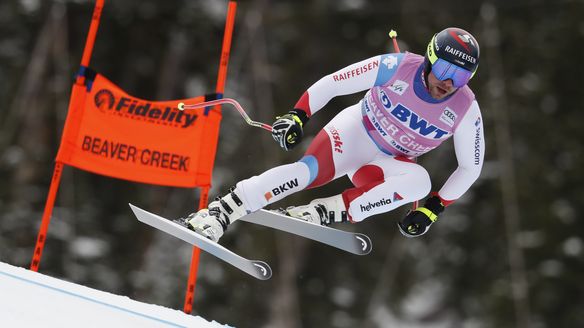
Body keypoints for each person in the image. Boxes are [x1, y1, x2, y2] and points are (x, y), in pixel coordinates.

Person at [184, 27, 485, 242]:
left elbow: (471, 167)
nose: (448, 81)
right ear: (430, 59)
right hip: (356, 132)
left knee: (420, 183)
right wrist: (298, 115)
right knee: (304, 175)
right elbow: (333, 83)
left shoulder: (465, 108)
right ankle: (218, 213)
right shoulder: (398, 66)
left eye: (460, 75)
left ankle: (322, 212)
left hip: (384, 165)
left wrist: (434, 208)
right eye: (445, 68)